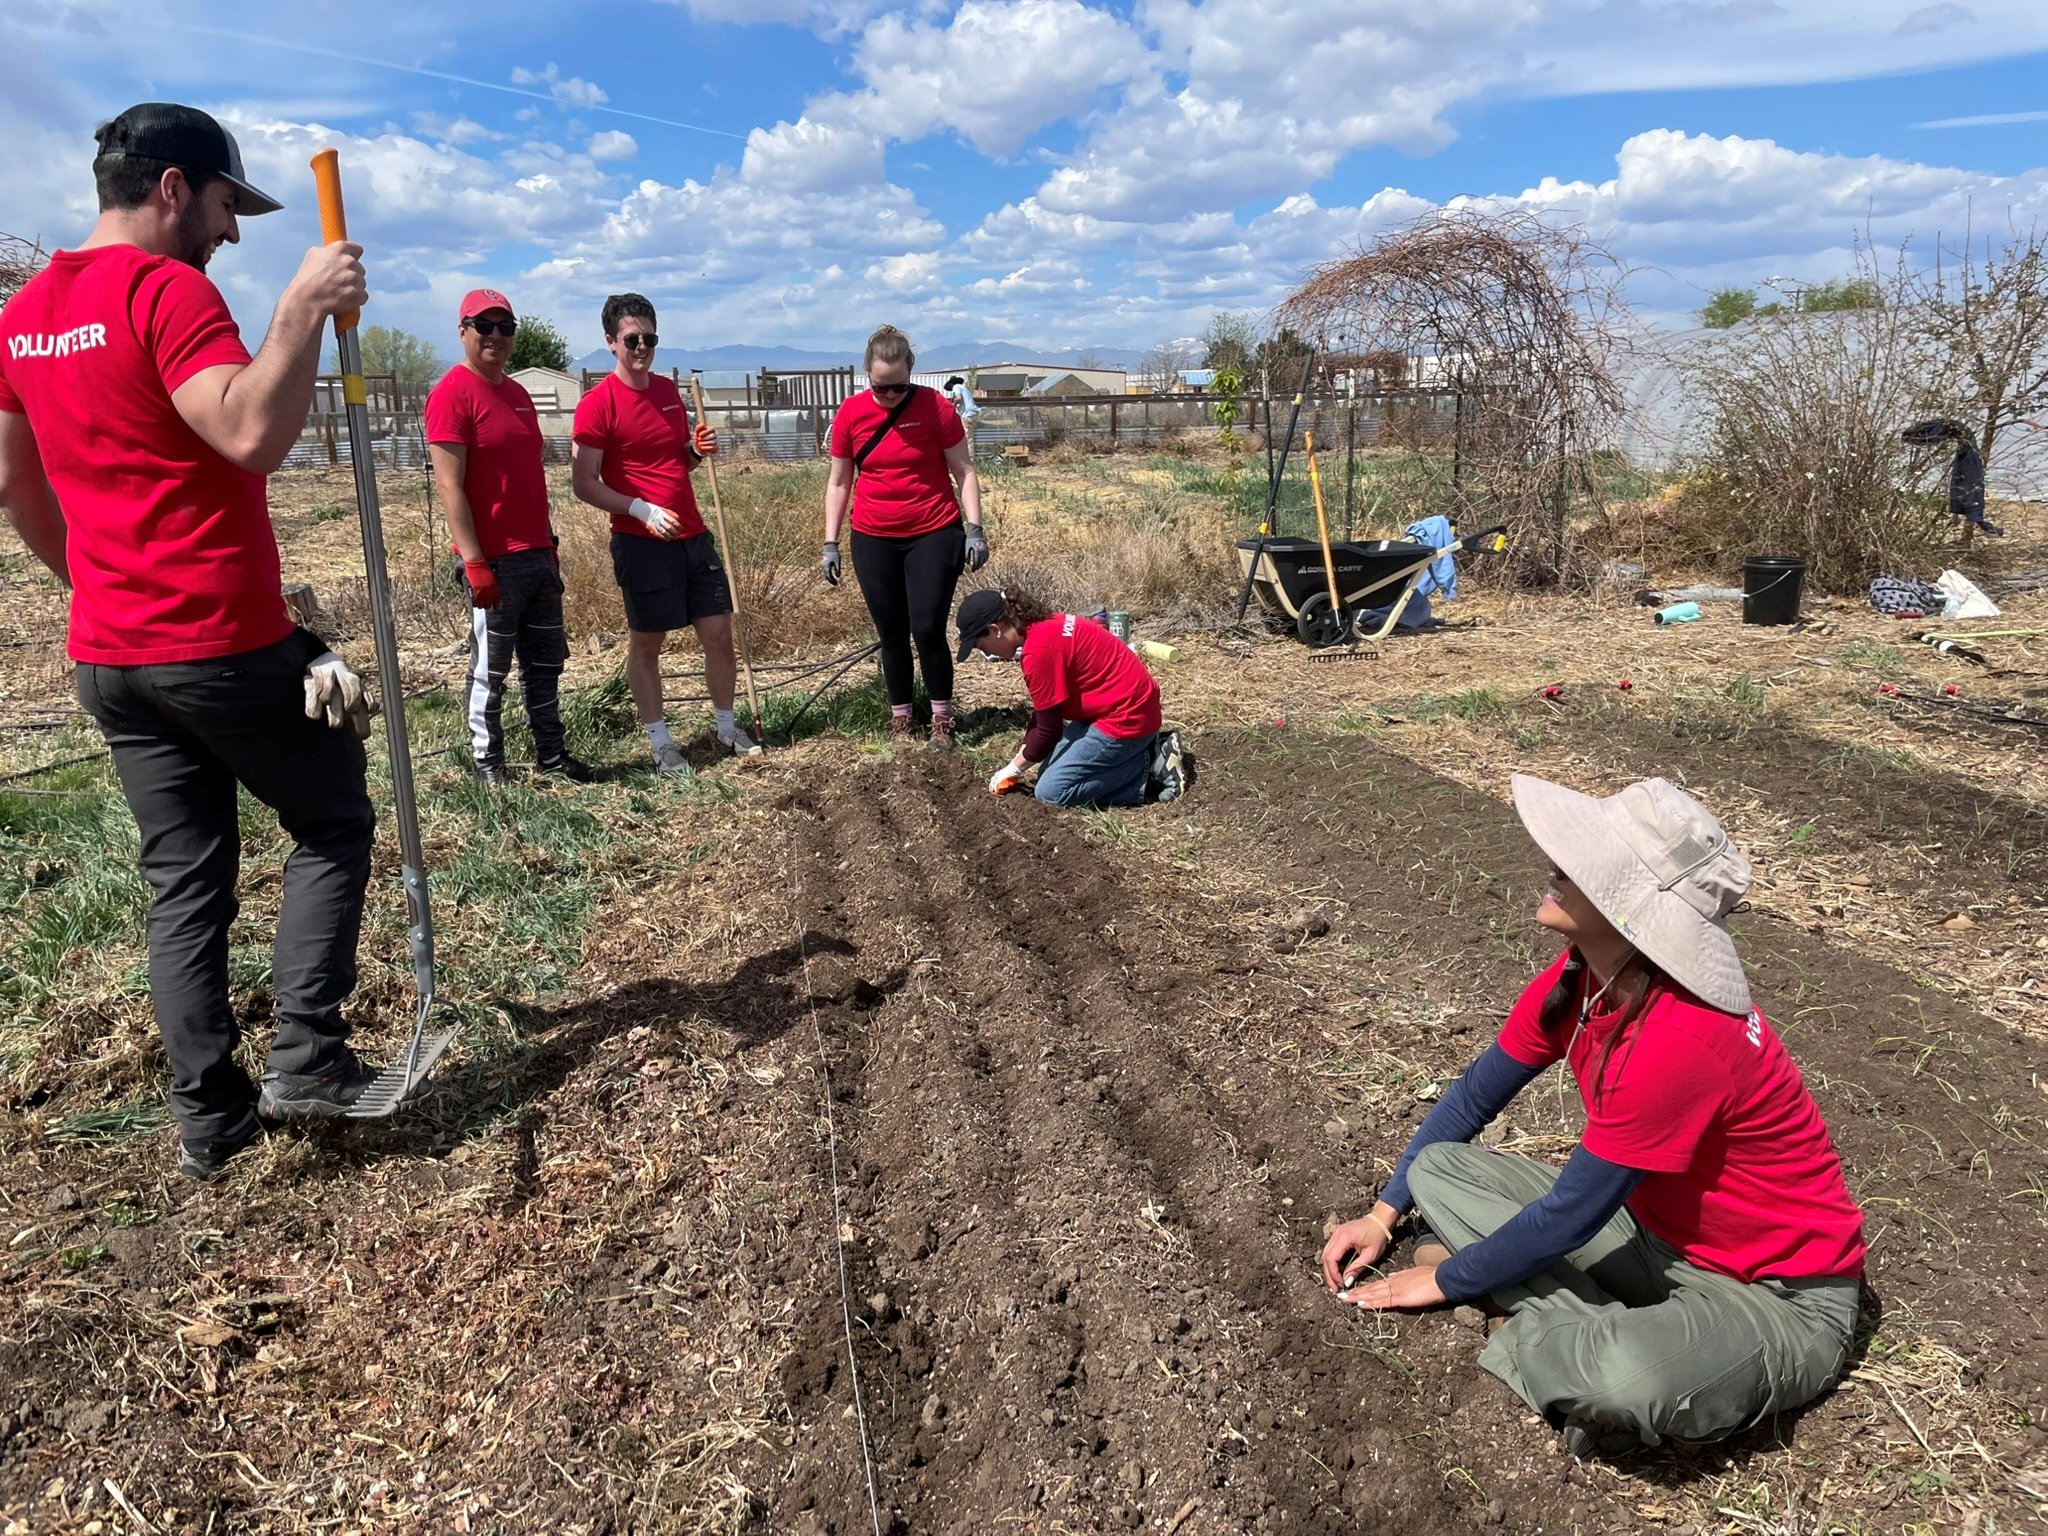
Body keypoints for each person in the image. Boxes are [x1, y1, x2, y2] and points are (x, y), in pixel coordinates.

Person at [0, 102, 384, 1178]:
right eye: (224, 204)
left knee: (186, 880)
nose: (231, 231)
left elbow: (8, 480)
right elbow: (252, 432)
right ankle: (307, 1054)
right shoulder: (166, 291)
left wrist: (96, 582)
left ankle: (212, 1124)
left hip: (111, 660)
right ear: (172, 187)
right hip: (213, 640)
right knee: (331, 818)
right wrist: (301, 309)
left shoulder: (23, 316)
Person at [1320, 774, 1866, 1458]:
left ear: (1631, 909)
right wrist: (1383, 1214)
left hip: (1773, 1294)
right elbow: (1472, 1099)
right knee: (1436, 1170)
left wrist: (1448, 1278)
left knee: (1624, 1377)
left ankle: (1539, 1319)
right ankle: (1561, 1319)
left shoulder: (1681, 1037)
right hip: (1650, 1231)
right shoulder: (1580, 982)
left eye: (1580, 864)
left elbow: (1571, 1215)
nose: (1553, 867)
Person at [569, 293, 756, 773]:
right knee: (648, 642)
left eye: (650, 338)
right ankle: (660, 740)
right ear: (611, 342)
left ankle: (726, 726)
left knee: (718, 633)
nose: (642, 347)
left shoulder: (668, 393)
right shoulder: (598, 404)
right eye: (632, 339)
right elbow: (583, 483)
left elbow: (677, 463)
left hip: (692, 533)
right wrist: (639, 509)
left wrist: (696, 452)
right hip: (641, 542)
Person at [426, 288, 591, 787]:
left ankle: (552, 755)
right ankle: (487, 764)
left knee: (544, 665)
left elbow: (528, 477)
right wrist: (474, 561)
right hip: (493, 560)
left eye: (506, 327)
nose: (496, 336)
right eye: (485, 325)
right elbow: (450, 485)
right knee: (489, 670)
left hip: (537, 553)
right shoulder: (452, 394)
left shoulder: (518, 396)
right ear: (463, 330)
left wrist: (549, 544)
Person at [821, 325, 989, 750]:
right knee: (891, 631)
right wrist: (830, 543)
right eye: (882, 389)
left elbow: (964, 471)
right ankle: (901, 720)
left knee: (927, 627)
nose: (891, 396)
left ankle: (941, 720)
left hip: (933, 531)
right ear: (867, 377)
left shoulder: (935, 407)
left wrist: (975, 528)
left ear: (911, 374)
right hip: (873, 536)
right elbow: (839, 482)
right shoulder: (851, 414)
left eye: (899, 387)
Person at [953, 586, 1186, 807]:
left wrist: (1014, 768)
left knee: (1051, 792)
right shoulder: (1044, 625)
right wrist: (1023, 755)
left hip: (1128, 718)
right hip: (1117, 707)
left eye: (981, 647)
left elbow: (1049, 730)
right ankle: (1140, 753)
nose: (986, 654)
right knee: (1046, 772)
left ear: (995, 630)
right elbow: (1047, 712)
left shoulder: (1039, 652)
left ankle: (1147, 768)